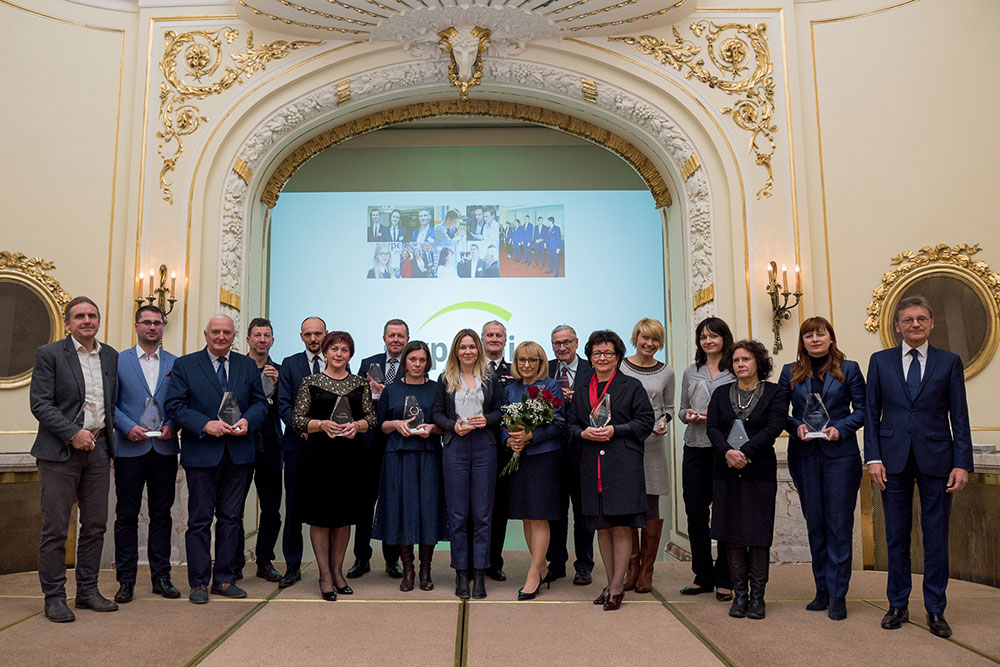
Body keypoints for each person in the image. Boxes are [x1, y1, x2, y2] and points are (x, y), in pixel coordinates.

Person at [864, 295, 973, 638]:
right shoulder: (880, 361)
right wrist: (873, 458)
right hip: (892, 461)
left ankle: (935, 609)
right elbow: (871, 413)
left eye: (921, 318)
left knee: (935, 536)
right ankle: (897, 604)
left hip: (937, 460)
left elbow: (960, 415)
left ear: (931, 323)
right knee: (896, 536)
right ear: (897, 326)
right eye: (908, 319)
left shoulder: (949, 362)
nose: (915, 324)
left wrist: (962, 463)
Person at [164, 314, 268, 604]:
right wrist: (204, 424)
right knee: (199, 521)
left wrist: (248, 421)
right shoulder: (185, 365)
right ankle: (198, 582)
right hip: (202, 453)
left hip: (238, 454)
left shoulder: (247, 365)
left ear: (234, 336)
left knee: (231, 519)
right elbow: (174, 405)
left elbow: (260, 403)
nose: (221, 337)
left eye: (226, 332)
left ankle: (224, 579)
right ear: (205, 334)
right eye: (216, 332)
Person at [30, 296, 119, 622]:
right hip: (59, 453)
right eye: (79, 316)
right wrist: (72, 433)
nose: (87, 321)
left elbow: (110, 404)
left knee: (95, 525)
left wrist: (109, 447)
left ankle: (87, 591)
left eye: (92, 315)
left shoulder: (110, 355)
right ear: (68, 323)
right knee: (56, 529)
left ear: (99, 321)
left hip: (98, 450)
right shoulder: (50, 354)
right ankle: (54, 597)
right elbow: (40, 404)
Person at [777, 317, 865, 621]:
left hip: (840, 455)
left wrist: (841, 428)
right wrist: (795, 426)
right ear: (802, 341)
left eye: (820, 334)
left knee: (838, 525)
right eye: (809, 335)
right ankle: (822, 590)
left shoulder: (849, 369)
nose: (815, 339)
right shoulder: (789, 372)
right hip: (804, 455)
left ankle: (838, 594)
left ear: (830, 337)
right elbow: (780, 412)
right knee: (815, 524)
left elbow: (863, 410)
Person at [568, 330, 654, 611]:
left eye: (608, 353)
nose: (602, 358)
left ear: (618, 357)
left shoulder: (632, 386)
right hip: (591, 467)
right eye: (597, 353)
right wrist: (582, 434)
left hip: (622, 467)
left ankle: (617, 587)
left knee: (620, 527)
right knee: (602, 529)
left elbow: (645, 422)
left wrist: (616, 430)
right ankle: (610, 583)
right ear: (590, 357)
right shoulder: (583, 388)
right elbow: (570, 424)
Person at [706, 339, 787, 620]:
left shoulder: (775, 393)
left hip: (759, 472)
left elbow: (774, 427)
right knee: (733, 534)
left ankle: (758, 597)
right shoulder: (720, 393)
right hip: (725, 471)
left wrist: (745, 452)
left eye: (746, 359)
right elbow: (712, 428)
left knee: (758, 535)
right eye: (737, 360)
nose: (741, 364)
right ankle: (740, 595)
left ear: (758, 362)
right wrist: (728, 452)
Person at [292, 331, 375, 600]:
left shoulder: (360, 383)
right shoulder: (310, 382)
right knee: (320, 517)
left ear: (350, 355)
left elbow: (371, 418)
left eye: (344, 350)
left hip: (350, 457)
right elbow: (297, 419)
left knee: (343, 517)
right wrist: (320, 424)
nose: (339, 354)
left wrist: (357, 425)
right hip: (318, 457)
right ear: (325, 352)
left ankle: (338, 572)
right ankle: (324, 575)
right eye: (334, 349)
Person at [112, 305, 180, 604]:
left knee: (162, 515)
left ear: (163, 326)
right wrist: (127, 426)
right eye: (147, 322)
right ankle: (126, 580)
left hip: (163, 448)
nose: (152, 327)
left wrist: (172, 425)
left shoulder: (176, 363)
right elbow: (110, 403)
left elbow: (180, 402)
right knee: (126, 515)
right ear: (136, 326)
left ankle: (161, 577)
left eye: (157, 323)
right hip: (129, 449)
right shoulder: (118, 361)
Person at [433, 329, 502, 599]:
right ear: (455, 351)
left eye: (472, 346)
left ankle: (480, 573)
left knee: (483, 515)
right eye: (463, 347)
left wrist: (487, 420)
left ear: (478, 349)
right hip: (456, 448)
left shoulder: (490, 378)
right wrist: (453, 426)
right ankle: (461, 573)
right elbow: (437, 413)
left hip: (484, 447)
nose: (468, 351)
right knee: (458, 515)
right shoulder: (445, 378)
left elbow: (499, 411)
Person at [373, 341, 447, 592]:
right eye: (413, 359)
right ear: (404, 360)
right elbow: (381, 425)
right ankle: (408, 570)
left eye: (422, 360)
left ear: (428, 363)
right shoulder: (391, 390)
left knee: (428, 510)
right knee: (402, 511)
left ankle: (426, 570)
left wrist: (433, 428)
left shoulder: (437, 388)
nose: (417, 364)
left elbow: (444, 424)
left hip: (429, 455)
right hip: (398, 455)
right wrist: (396, 424)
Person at [503, 341, 565, 600]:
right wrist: (509, 440)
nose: (526, 365)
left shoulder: (551, 386)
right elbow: (502, 422)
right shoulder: (510, 389)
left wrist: (531, 436)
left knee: (539, 516)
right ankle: (540, 569)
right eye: (521, 360)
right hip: (519, 458)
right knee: (527, 517)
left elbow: (558, 424)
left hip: (544, 459)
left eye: (532, 360)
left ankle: (533, 573)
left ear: (541, 363)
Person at [678, 317, 735, 600]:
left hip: (724, 448)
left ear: (724, 338)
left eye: (713, 336)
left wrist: (716, 417)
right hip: (695, 447)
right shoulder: (691, 371)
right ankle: (702, 575)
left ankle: (725, 577)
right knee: (695, 513)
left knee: (724, 513)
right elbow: (681, 409)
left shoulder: (735, 369)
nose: (708, 341)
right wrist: (687, 415)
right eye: (703, 337)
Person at [619, 318, 675, 594]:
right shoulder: (620, 366)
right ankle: (632, 566)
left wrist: (664, 422)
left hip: (653, 444)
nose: (650, 344)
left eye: (655, 339)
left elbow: (669, 408)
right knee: (629, 504)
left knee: (651, 504)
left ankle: (647, 569)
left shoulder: (667, 372)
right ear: (636, 338)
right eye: (645, 338)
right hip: (625, 443)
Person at [350, 319, 409, 580]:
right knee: (365, 502)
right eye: (391, 335)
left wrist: (388, 394)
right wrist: (371, 395)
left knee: (394, 502)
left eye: (400, 336)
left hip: (398, 443)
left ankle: (392, 559)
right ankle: (361, 558)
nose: (395, 340)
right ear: (384, 338)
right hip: (368, 444)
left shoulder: (413, 363)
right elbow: (355, 399)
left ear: (407, 339)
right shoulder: (368, 363)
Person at [275, 316, 328, 588]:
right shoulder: (290, 364)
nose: (313, 338)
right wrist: (303, 428)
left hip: (330, 448)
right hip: (298, 446)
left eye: (317, 333)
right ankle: (292, 567)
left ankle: (328, 570)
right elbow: (283, 404)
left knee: (328, 510)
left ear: (326, 334)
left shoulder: (337, 361)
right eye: (308, 334)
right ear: (301, 337)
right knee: (294, 510)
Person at [234, 318, 284, 583]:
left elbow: (285, 408)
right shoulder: (236, 368)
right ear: (248, 339)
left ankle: (264, 561)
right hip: (240, 445)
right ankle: (234, 561)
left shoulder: (280, 371)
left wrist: (276, 388)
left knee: (272, 510)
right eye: (257, 335)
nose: (262, 340)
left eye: (266, 336)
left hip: (271, 447)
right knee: (234, 508)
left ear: (272, 341)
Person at [546, 324, 595, 585]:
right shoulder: (545, 368)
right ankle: (556, 564)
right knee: (555, 511)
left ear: (576, 343)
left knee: (584, 512)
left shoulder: (592, 368)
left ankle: (584, 565)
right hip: (551, 450)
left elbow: (602, 403)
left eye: (567, 342)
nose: (562, 347)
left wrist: (578, 399)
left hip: (583, 449)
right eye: (557, 343)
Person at [480, 320, 515, 582]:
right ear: (482, 339)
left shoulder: (515, 370)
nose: (494, 339)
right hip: (476, 445)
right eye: (489, 335)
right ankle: (474, 561)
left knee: (499, 508)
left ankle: (494, 562)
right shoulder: (470, 368)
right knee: (475, 509)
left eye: (499, 335)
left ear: (505, 340)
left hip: (505, 448)